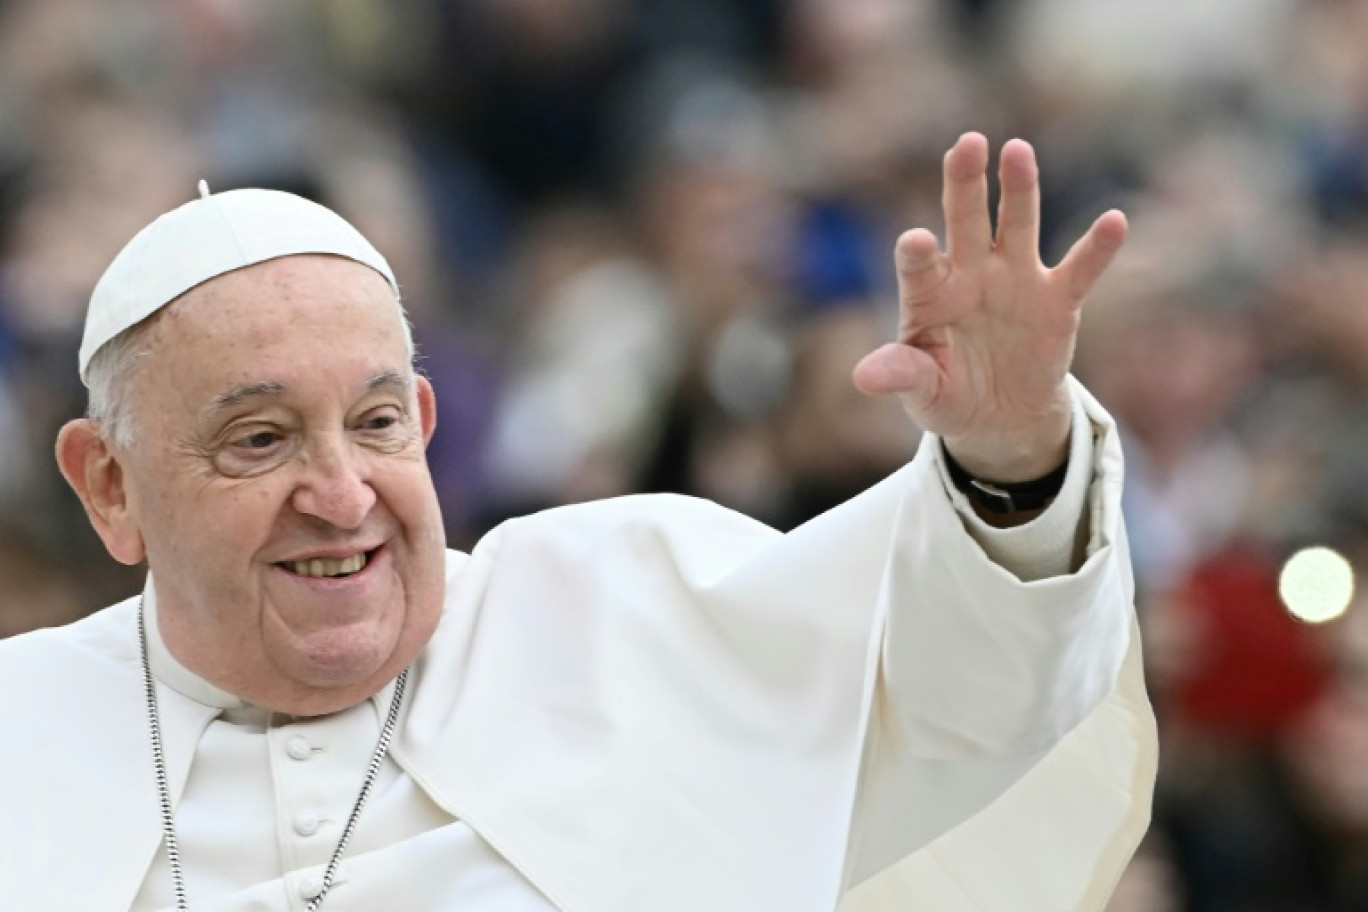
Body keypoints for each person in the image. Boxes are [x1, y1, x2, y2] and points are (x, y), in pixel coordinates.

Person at [0, 132, 1155, 911]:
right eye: (260, 440)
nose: (342, 494)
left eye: (377, 422)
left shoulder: (627, 603)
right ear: (108, 483)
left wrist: (1010, 455)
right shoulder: (22, 730)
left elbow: (978, 695)